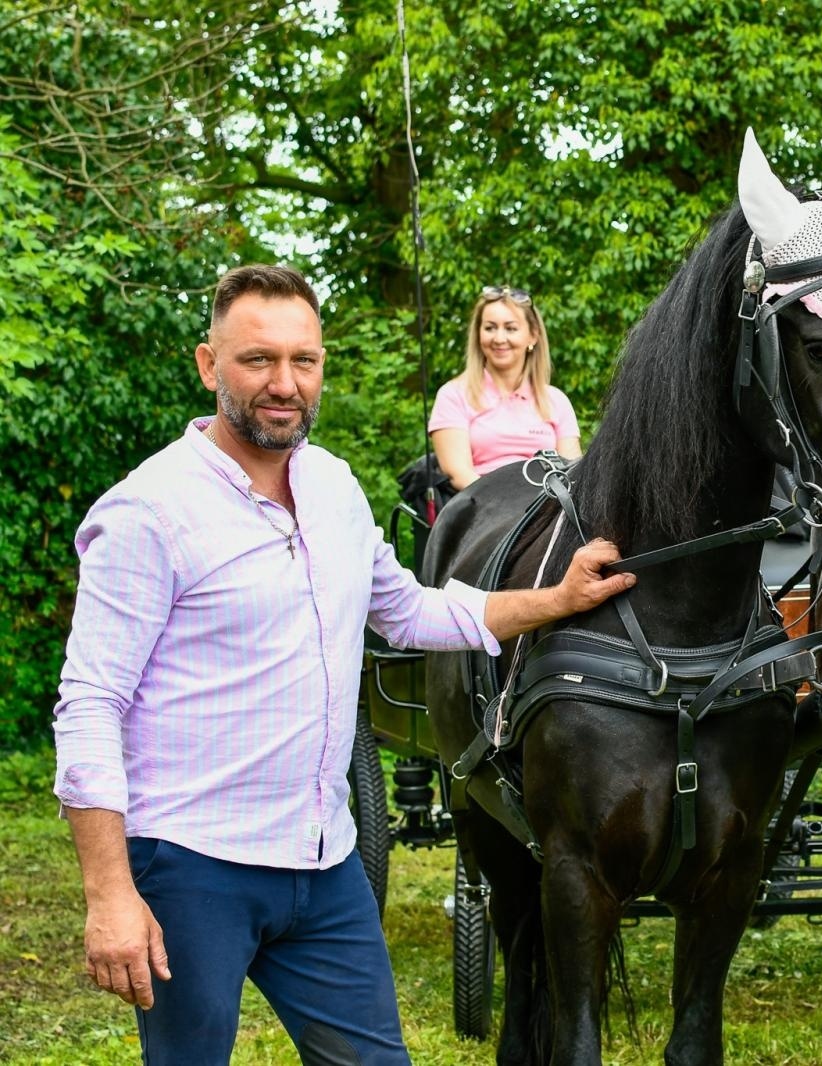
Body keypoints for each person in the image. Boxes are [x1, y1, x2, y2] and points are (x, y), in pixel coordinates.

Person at [52, 265, 635, 1065]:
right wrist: (110, 893)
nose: (284, 383)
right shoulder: (149, 511)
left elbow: (411, 611)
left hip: (324, 864)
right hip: (192, 866)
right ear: (208, 365)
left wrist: (556, 598)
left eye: (305, 360)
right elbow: (89, 702)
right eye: (257, 359)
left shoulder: (330, 485)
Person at [429, 286, 581, 492]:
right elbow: (458, 473)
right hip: (480, 508)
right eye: (490, 328)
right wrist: (508, 504)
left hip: (545, 508)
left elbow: (570, 472)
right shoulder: (453, 395)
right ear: (478, 334)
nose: (499, 338)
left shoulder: (556, 401)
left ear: (532, 336)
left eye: (510, 328)